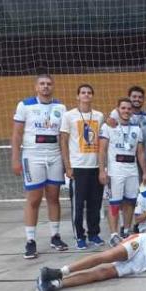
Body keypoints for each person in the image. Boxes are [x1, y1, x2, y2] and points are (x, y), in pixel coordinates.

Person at [11, 74, 68, 259]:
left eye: (49, 84)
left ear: (53, 86)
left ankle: (55, 236)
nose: (45, 87)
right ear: (36, 87)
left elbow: (63, 136)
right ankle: (30, 241)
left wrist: (67, 162)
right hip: (32, 156)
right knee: (34, 199)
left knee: (53, 197)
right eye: (42, 84)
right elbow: (17, 135)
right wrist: (15, 159)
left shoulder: (61, 107)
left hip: (54, 156)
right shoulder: (25, 105)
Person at [60, 84, 105, 249]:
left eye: (89, 93)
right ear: (77, 96)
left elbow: (102, 141)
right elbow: (63, 141)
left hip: (95, 167)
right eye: (83, 93)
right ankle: (80, 236)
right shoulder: (69, 116)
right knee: (78, 206)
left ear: (92, 96)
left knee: (95, 204)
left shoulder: (99, 116)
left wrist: (102, 168)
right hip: (78, 167)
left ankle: (94, 234)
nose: (86, 95)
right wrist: (67, 166)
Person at [99, 98, 146, 247]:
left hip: (132, 171)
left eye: (129, 109)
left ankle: (126, 230)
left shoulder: (137, 129)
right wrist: (102, 170)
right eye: (123, 108)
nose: (126, 111)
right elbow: (102, 150)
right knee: (114, 203)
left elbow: (140, 153)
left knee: (130, 201)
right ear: (117, 110)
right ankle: (114, 234)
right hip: (116, 171)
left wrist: (145, 172)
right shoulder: (108, 127)